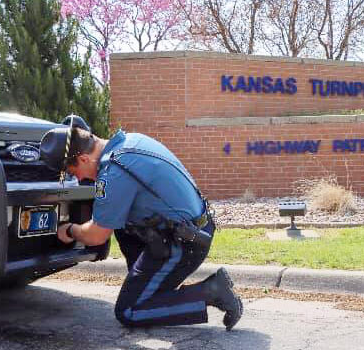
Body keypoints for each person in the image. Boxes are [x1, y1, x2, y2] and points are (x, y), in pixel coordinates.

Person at [39, 120, 243, 330]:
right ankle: (146, 289)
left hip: (183, 244)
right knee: (121, 223)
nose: (79, 178)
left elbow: (96, 235)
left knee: (130, 311)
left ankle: (212, 290)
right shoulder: (131, 141)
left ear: (83, 158)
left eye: (74, 173)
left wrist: (70, 230)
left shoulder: (114, 171)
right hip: (191, 230)